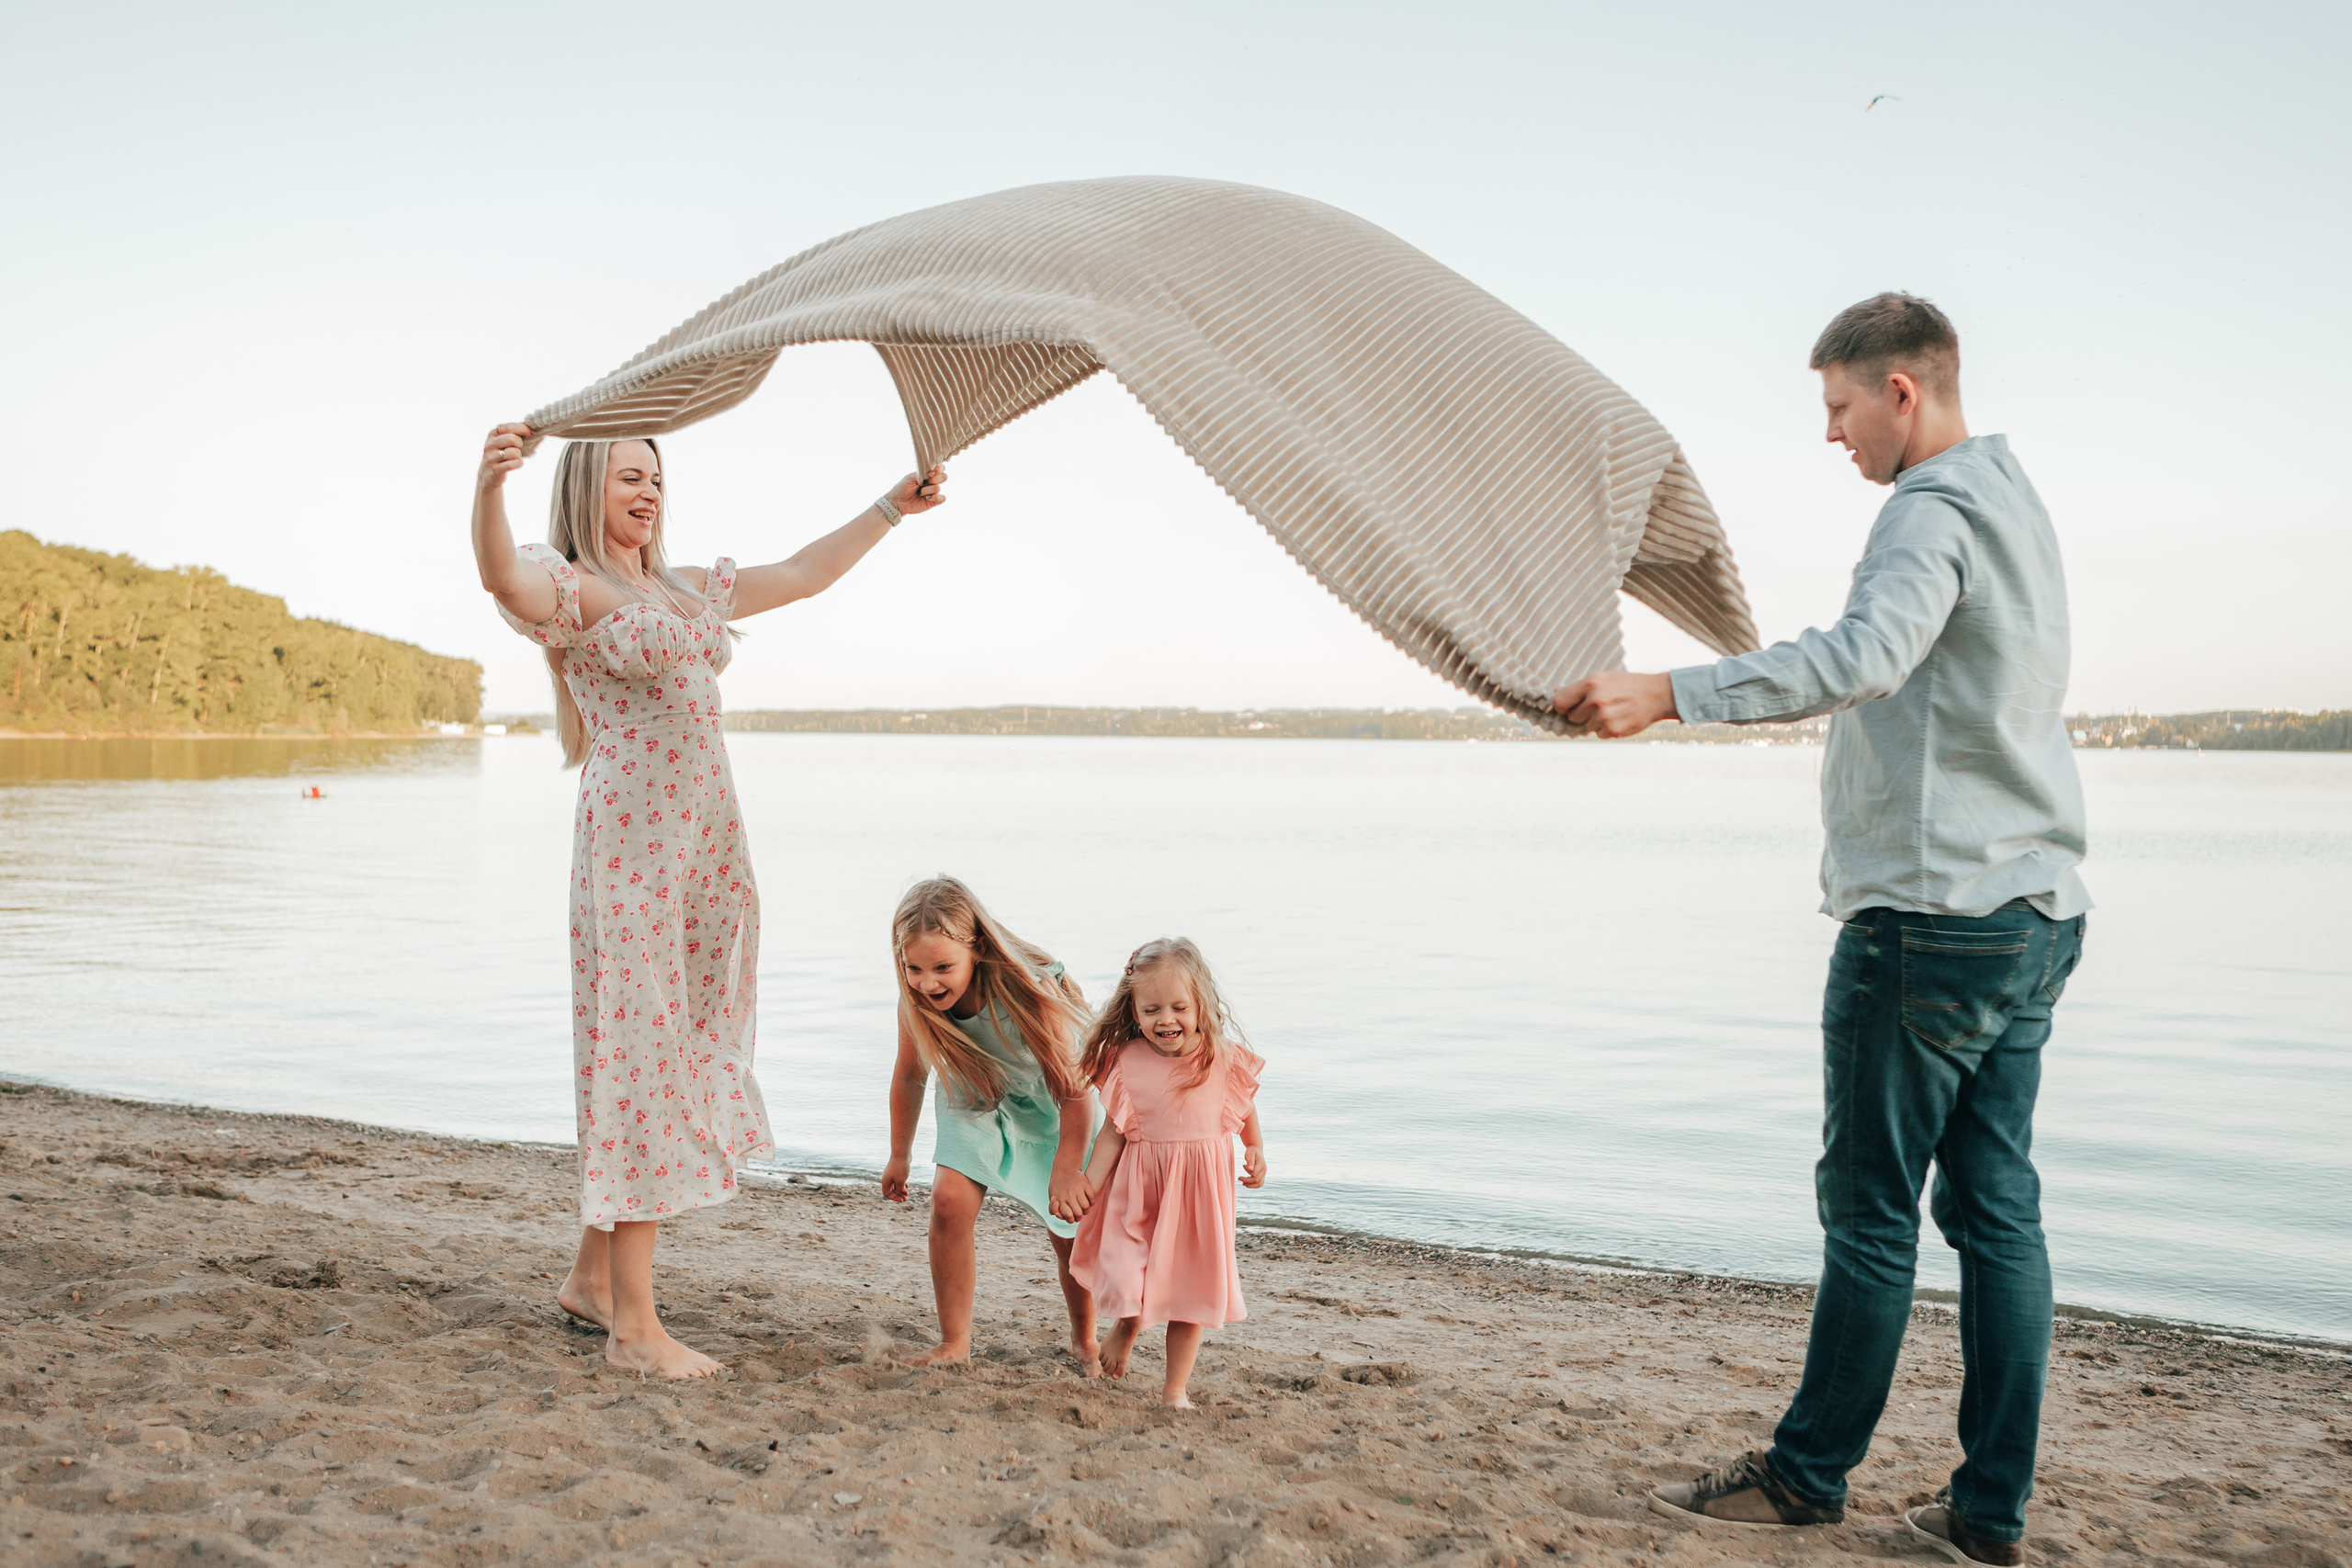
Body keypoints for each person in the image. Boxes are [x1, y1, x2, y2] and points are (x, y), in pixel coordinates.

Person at [1552, 294, 2088, 1565]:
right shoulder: (2017, 502)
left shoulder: (1929, 510)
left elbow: (1864, 653)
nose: (1832, 434)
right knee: (2000, 1211)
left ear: (1904, 392)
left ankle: (1805, 1478)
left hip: (1929, 919)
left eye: (1841, 406)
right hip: (2035, 907)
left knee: (1870, 1211)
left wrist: (1671, 691)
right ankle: (1986, 1509)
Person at [471, 421, 946, 1380]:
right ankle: (635, 1331)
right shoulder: (564, 584)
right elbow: (498, 579)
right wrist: (488, 486)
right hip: (631, 852)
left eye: (654, 477)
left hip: (700, 850)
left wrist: (894, 505)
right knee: (639, 1055)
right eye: (626, 478)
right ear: (586, 490)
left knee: (677, 1044)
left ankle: (590, 1283)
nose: (646, 492)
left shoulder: (681, 588)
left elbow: (805, 572)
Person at [881, 876, 1103, 1371]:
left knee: (1065, 1223)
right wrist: (900, 1153)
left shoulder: (1028, 990)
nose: (928, 982)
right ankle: (954, 1341)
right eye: (914, 968)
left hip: (1051, 1104)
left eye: (943, 967)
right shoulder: (916, 1000)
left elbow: (1075, 1091)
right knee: (948, 1202)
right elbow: (909, 1076)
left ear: (977, 948)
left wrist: (1067, 1170)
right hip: (974, 1097)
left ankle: (1084, 1337)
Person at [1057, 938, 1267, 1409]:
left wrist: (1255, 1148)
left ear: (1201, 1005)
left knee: (1191, 1293)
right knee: (1126, 1270)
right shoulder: (1127, 1061)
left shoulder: (1223, 1058)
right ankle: (1128, 1324)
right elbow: (1113, 1132)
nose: (1165, 1020)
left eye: (1178, 1008)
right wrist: (1088, 1183)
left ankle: (1175, 1390)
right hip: (1139, 1191)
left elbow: (1244, 1107)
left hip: (1198, 1199)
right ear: (1133, 1009)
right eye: (1151, 1010)